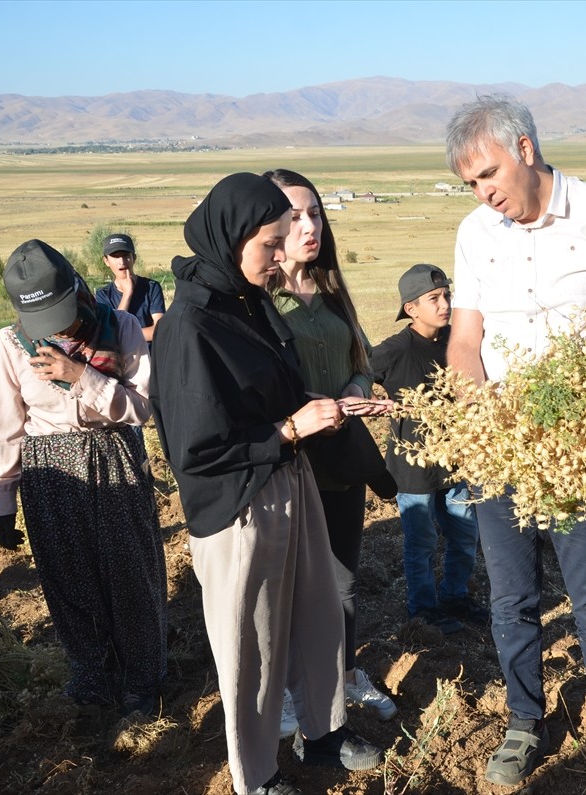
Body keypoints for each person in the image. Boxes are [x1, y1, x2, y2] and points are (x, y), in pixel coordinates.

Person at [444, 95, 586, 786]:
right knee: (511, 598)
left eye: (488, 174)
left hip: (579, 445)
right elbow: (463, 339)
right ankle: (523, 722)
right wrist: (478, 409)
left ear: (525, 148)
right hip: (501, 449)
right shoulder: (475, 233)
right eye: (471, 184)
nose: (484, 194)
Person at [149, 172, 381, 795]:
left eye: (285, 241)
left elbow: (258, 395)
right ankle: (259, 775)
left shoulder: (247, 304)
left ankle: (323, 734)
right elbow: (197, 450)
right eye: (270, 245)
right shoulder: (190, 328)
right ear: (230, 241)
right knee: (251, 648)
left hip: (289, 482)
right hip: (240, 507)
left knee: (317, 617)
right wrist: (288, 428)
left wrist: (311, 406)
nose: (283, 256)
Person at [0, 239, 167, 716]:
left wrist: (82, 375)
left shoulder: (122, 326)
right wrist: (3, 500)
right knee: (70, 580)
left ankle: (143, 680)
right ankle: (94, 675)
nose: (58, 328)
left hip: (114, 457)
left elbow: (142, 408)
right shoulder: (7, 344)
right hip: (49, 471)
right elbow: (5, 426)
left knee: (130, 573)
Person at [261, 168, 398, 727]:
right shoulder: (260, 300)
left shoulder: (332, 290)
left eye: (314, 212)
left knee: (343, 577)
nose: (308, 225)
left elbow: (362, 365)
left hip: (341, 459)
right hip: (288, 462)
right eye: (294, 216)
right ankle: (294, 690)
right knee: (290, 582)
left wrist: (354, 393)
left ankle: (342, 675)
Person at [370, 263, 485, 637]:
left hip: (457, 462)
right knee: (420, 543)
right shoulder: (393, 351)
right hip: (412, 470)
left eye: (446, 295)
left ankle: (455, 597)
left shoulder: (460, 341)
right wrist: (371, 400)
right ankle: (423, 609)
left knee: (464, 535)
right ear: (410, 309)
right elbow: (355, 375)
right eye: (433, 298)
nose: (444, 304)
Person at [94, 233, 166, 346]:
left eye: (125, 255)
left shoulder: (151, 287)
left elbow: (159, 330)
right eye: (115, 256)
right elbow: (111, 331)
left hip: (151, 359)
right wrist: (127, 294)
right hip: (121, 361)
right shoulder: (103, 295)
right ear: (106, 261)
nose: (122, 261)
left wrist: (123, 335)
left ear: (134, 258)